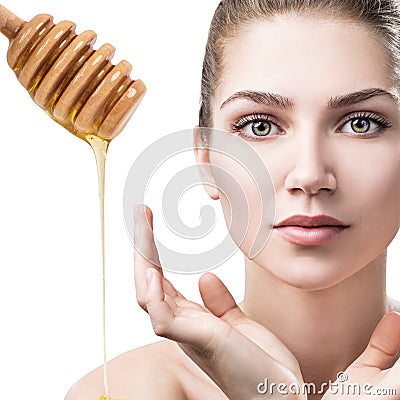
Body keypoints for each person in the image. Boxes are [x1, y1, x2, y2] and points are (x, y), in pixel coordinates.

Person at [65, 1, 400, 399]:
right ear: (204, 160)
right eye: (260, 125)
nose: (310, 175)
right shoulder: (124, 391)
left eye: (360, 123)